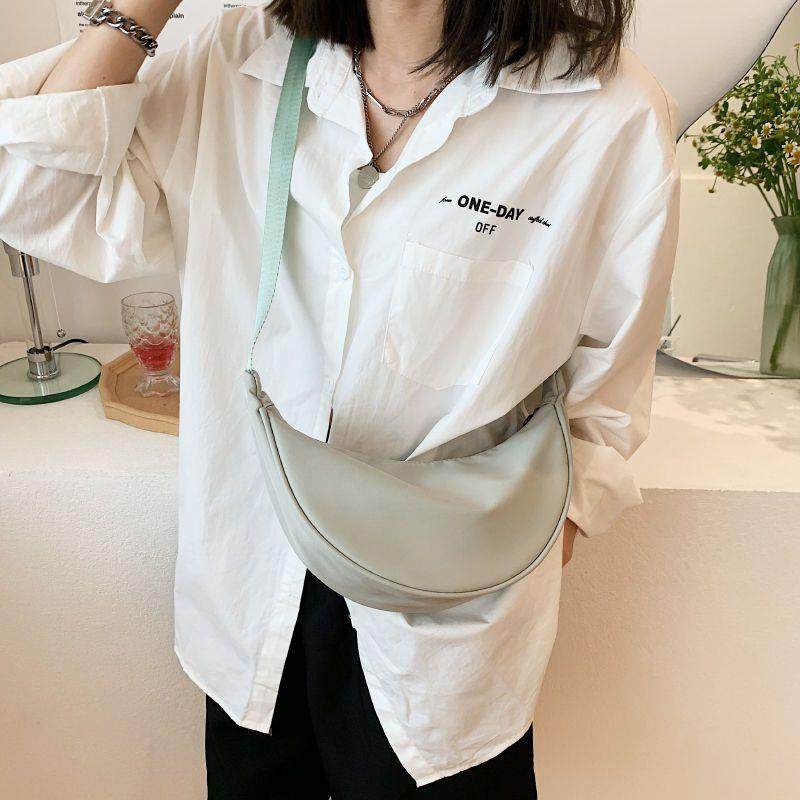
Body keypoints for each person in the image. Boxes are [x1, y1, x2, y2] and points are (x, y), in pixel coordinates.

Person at [0, 0, 680, 796]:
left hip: (446, 619)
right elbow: (32, 193)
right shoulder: (237, 62)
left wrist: (541, 540)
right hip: (255, 590)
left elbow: (609, 386)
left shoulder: (606, 108)